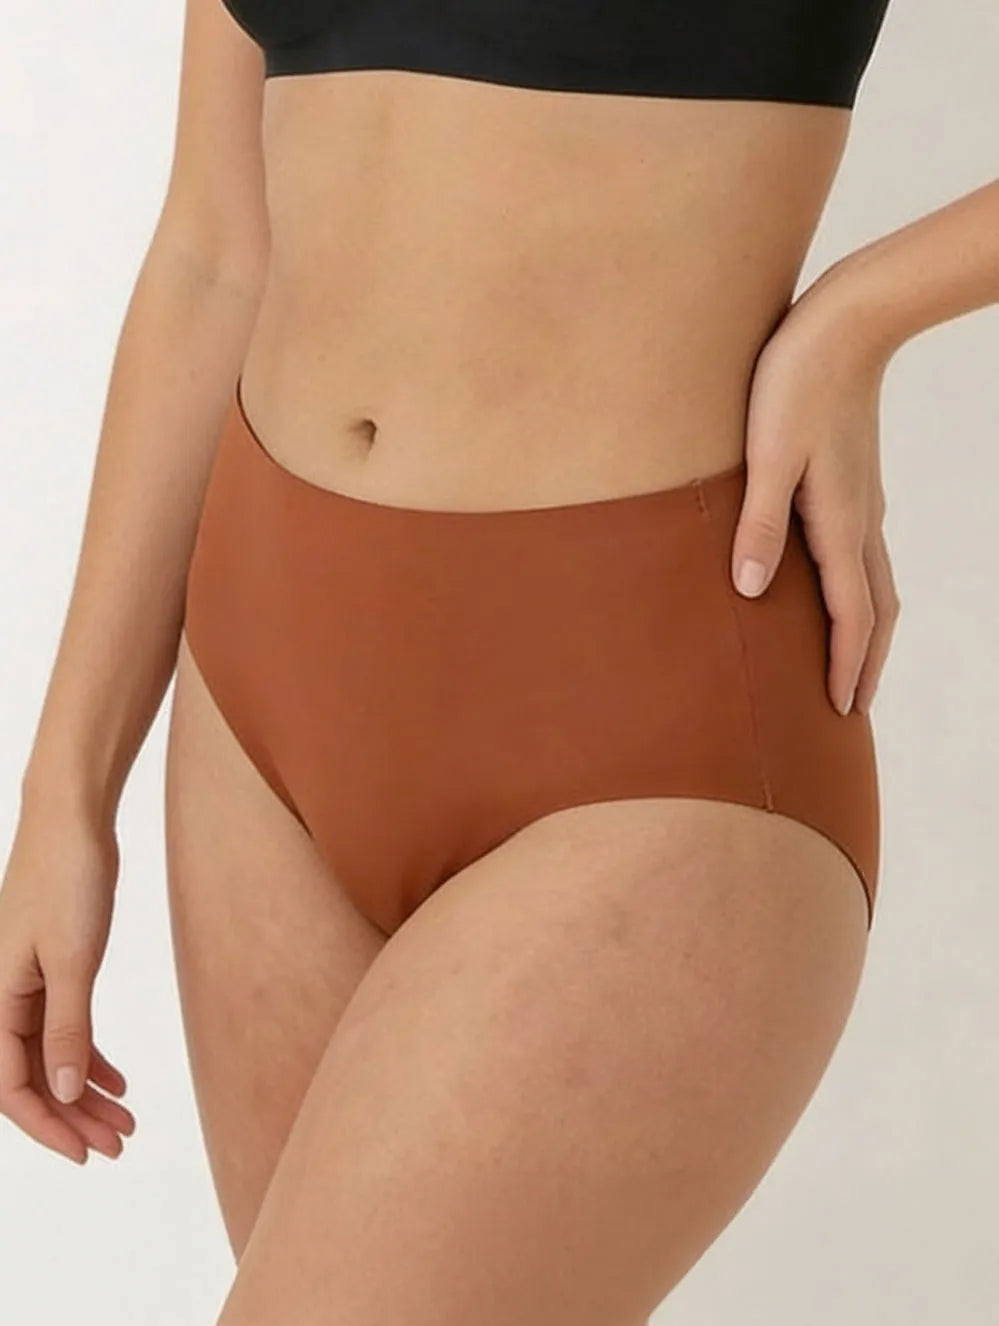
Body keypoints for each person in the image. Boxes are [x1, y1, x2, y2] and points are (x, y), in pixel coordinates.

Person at [2, 1, 998, 1320]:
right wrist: (66, 792)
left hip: (644, 713)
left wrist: (862, 314)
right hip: (260, 716)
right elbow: (212, 254)